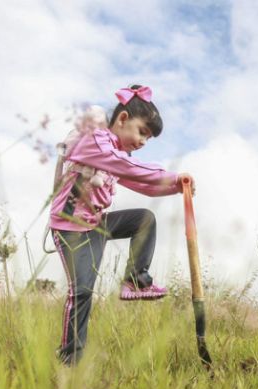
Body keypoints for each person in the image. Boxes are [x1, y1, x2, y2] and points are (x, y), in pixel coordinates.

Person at [49, 84, 194, 365]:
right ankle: (70, 359)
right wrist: (172, 175)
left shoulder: (115, 156)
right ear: (123, 119)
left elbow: (143, 185)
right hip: (70, 227)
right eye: (142, 132)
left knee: (143, 220)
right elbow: (127, 168)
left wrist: (177, 187)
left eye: (148, 139)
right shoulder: (94, 142)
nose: (142, 142)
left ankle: (135, 280)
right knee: (81, 291)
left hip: (95, 224)